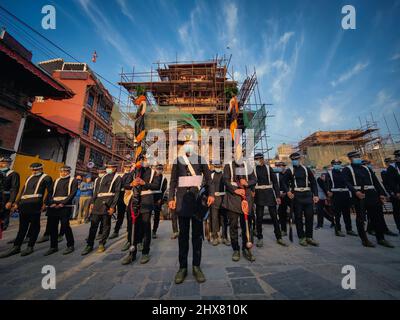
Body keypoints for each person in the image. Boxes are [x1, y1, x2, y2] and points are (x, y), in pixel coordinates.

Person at [168, 139, 215, 284]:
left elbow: (209, 179)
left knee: (197, 236)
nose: (189, 146)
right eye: (186, 143)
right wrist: (171, 197)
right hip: (182, 202)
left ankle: (196, 266)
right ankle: (182, 267)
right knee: (183, 236)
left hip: (197, 202)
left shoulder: (201, 160)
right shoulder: (178, 161)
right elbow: (173, 181)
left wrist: (212, 195)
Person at [342, 151, 394, 248]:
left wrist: (382, 194)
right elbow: (347, 182)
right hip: (359, 195)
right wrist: (355, 192)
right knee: (361, 219)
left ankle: (381, 238)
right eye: (355, 157)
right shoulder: (347, 169)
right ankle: (364, 239)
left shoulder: (367, 169)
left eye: (358, 156)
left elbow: (376, 182)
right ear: (350, 159)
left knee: (377, 217)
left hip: (372, 194)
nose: (357, 158)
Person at [1, 163, 52, 258]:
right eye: (32, 170)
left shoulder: (46, 178)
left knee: (34, 226)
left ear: (40, 169)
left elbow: (50, 192)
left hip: (36, 204)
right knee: (22, 227)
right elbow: (22, 191)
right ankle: (16, 247)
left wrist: (45, 203)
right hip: (24, 204)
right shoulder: (29, 177)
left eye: (35, 170)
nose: (33, 171)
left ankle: (30, 246)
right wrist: (16, 202)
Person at [121, 156, 161, 265]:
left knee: (146, 227)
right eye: (142, 159)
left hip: (146, 201)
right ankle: (131, 253)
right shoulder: (134, 171)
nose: (144, 161)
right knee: (131, 227)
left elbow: (156, 186)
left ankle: (145, 252)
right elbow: (124, 184)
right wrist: (131, 184)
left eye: (147, 159)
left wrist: (144, 184)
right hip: (133, 201)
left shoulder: (155, 172)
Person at [222, 147, 257, 262]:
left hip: (246, 200)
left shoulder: (248, 166)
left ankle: (246, 248)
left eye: (240, 153)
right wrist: (235, 190)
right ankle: (236, 249)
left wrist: (247, 183)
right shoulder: (228, 166)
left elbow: (254, 179)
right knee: (233, 226)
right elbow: (226, 181)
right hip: (233, 200)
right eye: (236, 153)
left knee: (247, 225)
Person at [81, 161, 122, 255]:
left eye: (111, 167)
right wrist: (92, 202)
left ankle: (102, 243)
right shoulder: (99, 178)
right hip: (97, 203)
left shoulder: (117, 178)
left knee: (106, 225)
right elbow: (95, 192)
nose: (109, 168)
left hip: (108, 203)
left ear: (115, 168)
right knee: (93, 225)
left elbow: (117, 193)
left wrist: (113, 206)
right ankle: (89, 245)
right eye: (108, 167)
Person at [253, 154, 287, 247]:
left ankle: (279, 237)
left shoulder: (269, 168)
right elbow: (252, 183)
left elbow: (275, 183)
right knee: (259, 218)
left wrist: (278, 196)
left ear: (263, 159)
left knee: (274, 217)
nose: (257, 160)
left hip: (269, 194)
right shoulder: (254, 170)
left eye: (259, 159)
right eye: (256, 159)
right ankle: (260, 238)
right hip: (259, 194)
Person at [286, 153, 319, 247]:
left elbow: (313, 182)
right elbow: (283, 182)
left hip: (307, 195)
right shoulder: (289, 170)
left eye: (296, 159)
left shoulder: (306, 169)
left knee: (309, 216)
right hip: (296, 196)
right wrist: (288, 191)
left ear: (300, 159)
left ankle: (309, 237)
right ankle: (301, 237)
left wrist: (315, 195)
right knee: (298, 217)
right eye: (293, 159)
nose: (294, 161)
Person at [44, 166, 78, 256]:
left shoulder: (73, 180)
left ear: (69, 172)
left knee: (65, 226)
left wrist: (63, 203)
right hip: (54, 206)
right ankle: (53, 246)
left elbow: (72, 193)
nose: (63, 173)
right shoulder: (56, 180)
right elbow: (50, 193)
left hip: (65, 206)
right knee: (52, 227)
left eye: (66, 171)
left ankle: (70, 245)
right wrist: (50, 203)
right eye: (62, 171)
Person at [363, 160, 397, 237]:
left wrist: (382, 194)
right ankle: (371, 229)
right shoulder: (363, 173)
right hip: (368, 196)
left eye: (369, 163)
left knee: (379, 214)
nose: (369, 165)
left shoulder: (371, 172)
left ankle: (383, 229)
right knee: (372, 215)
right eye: (367, 164)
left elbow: (377, 184)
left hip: (376, 195)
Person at [326, 159, 357, 237]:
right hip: (335, 194)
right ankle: (338, 230)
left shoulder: (344, 172)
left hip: (345, 194)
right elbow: (327, 183)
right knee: (337, 214)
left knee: (347, 213)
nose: (337, 165)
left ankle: (349, 229)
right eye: (335, 164)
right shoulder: (329, 173)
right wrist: (328, 191)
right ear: (332, 165)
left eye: (338, 163)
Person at [109, 163, 133, 239]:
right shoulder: (120, 175)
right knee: (120, 215)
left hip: (127, 195)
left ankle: (129, 232)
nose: (127, 168)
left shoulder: (131, 175)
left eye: (129, 167)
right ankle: (116, 231)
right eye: (126, 166)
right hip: (120, 196)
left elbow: (128, 185)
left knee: (129, 215)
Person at [210, 162, 229, 246]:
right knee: (214, 219)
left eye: (219, 166)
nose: (218, 167)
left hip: (224, 199)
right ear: (214, 166)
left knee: (224, 219)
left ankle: (224, 237)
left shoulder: (225, 175)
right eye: (216, 166)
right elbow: (206, 186)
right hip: (214, 199)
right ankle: (215, 237)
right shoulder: (211, 175)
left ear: (221, 166)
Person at [0, 157, 20, 231]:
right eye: (1, 162)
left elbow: (15, 188)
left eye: (3, 163)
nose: (1, 164)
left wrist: (11, 201)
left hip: (5, 198)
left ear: (8, 164)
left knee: (3, 216)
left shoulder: (13, 174)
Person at [385, 150, 400, 234]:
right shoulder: (392, 167)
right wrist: (396, 192)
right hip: (396, 193)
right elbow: (390, 182)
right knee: (397, 211)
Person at [152, 163, 167, 239]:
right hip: (150, 197)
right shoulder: (152, 176)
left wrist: (161, 199)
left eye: (160, 169)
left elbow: (164, 190)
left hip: (158, 198)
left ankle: (154, 231)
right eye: (158, 169)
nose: (159, 170)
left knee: (156, 216)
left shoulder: (164, 178)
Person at [275, 162, 290, 236]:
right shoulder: (277, 175)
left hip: (289, 195)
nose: (280, 167)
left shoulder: (289, 173)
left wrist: (287, 192)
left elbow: (292, 184)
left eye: (281, 166)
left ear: (285, 166)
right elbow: (276, 185)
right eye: (278, 166)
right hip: (281, 196)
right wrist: (279, 194)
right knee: (281, 213)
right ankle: (283, 230)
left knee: (297, 212)